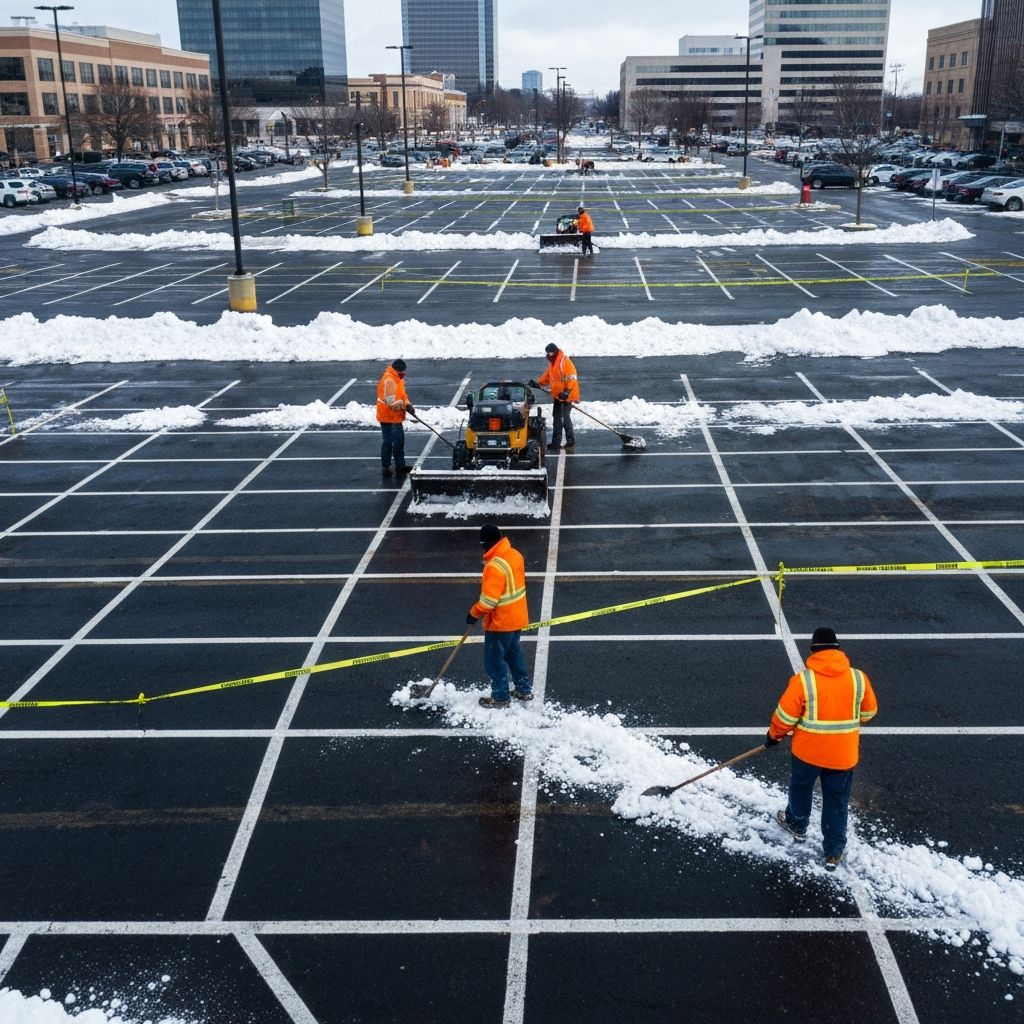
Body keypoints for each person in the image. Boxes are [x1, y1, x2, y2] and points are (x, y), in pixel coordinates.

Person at [766, 627, 878, 871]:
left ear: (813, 651)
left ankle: (797, 824)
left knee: (801, 789)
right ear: (838, 649)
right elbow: (869, 712)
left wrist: (773, 736)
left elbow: (784, 717)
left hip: (807, 754)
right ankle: (833, 851)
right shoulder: (858, 678)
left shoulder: (804, 681)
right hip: (843, 756)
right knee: (837, 801)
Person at [467, 524, 532, 708]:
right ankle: (523, 689)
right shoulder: (515, 555)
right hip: (517, 618)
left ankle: (501, 696)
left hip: (500, 623)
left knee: (494, 661)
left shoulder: (494, 566)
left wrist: (473, 614)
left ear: (484, 543)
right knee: (514, 655)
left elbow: (488, 602)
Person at [529, 343, 579, 453]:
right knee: (557, 418)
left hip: (567, 396)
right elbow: (547, 377)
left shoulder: (564, 361)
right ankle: (556, 443)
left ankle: (570, 441)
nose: (548, 355)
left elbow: (572, 378)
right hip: (558, 396)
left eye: (550, 352)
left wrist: (567, 391)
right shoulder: (553, 363)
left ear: (554, 351)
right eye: (547, 353)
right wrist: (538, 383)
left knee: (563, 419)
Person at [376, 358, 414, 477]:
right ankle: (386, 466)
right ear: (397, 370)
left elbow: (403, 395)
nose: (404, 374)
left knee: (399, 441)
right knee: (388, 442)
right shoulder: (389, 380)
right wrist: (404, 407)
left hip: (396, 416)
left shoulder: (399, 379)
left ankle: (400, 466)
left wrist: (408, 404)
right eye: (402, 372)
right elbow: (391, 403)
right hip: (388, 417)